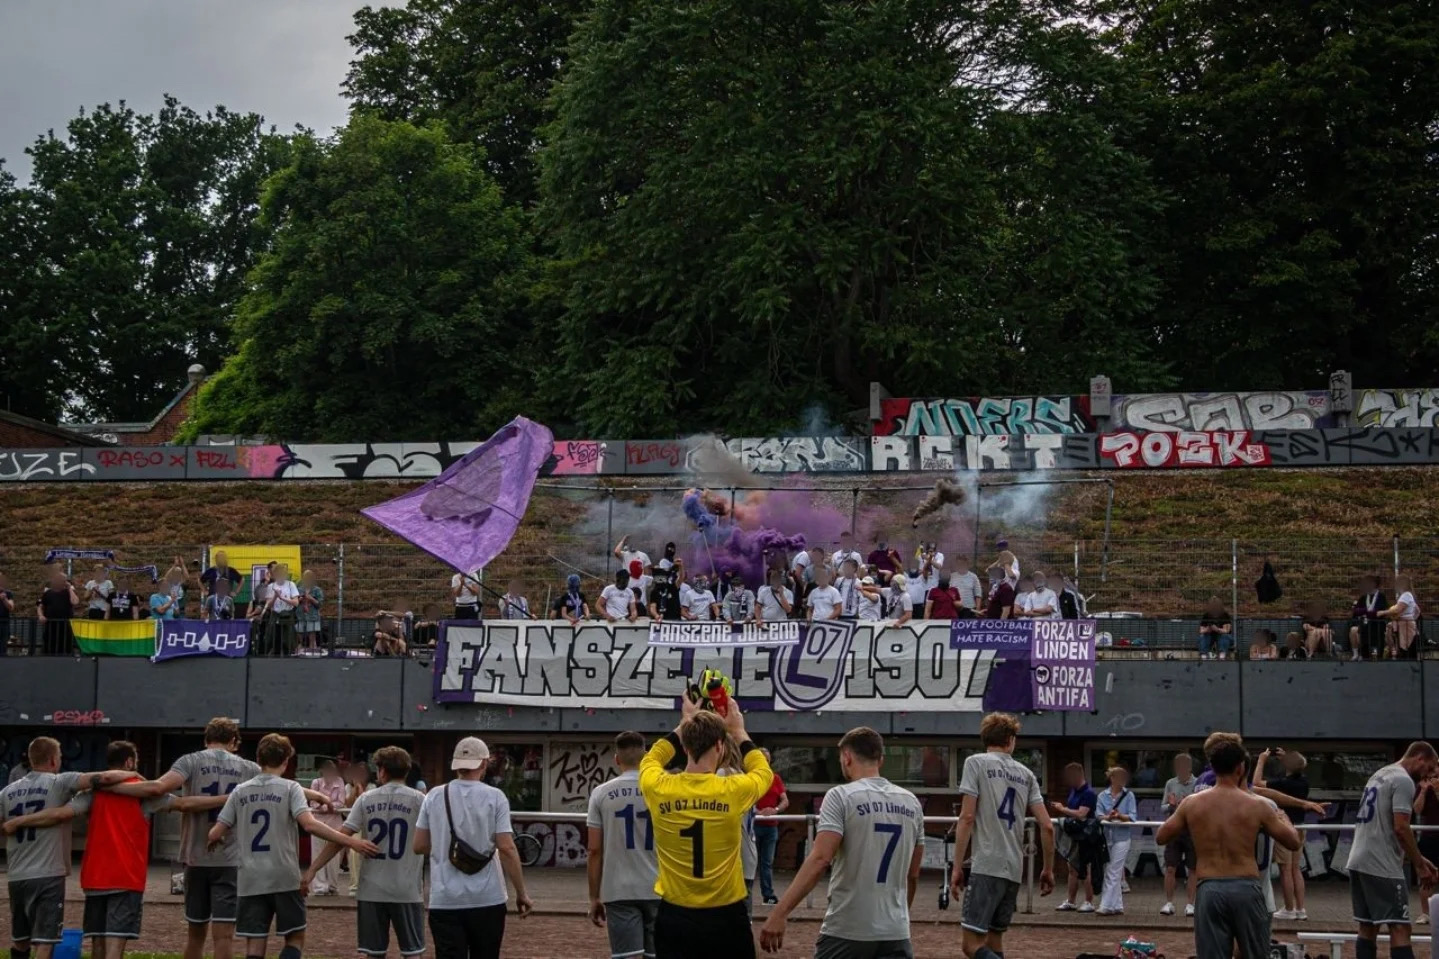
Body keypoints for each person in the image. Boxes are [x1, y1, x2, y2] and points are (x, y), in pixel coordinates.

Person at [4, 741, 214, 959]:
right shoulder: (142, 793)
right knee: (115, 945)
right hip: (126, 877)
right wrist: (226, 799)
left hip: (95, 877)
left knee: (97, 942)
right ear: (130, 762)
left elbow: (62, 813)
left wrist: (19, 822)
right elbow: (185, 804)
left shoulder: (92, 793)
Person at [760, 726, 926, 958]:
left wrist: (780, 912)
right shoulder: (912, 803)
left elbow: (820, 859)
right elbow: (913, 874)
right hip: (896, 931)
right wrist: (900, 919)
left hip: (848, 929)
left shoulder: (841, 796)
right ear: (881, 759)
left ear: (846, 758)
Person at [210, 734, 377, 959]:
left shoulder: (240, 791)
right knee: (295, 937)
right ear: (287, 761)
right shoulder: (291, 788)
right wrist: (351, 841)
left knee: (255, 946)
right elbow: (309, 824)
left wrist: (216, 839)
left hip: (250, 877)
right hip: (284, 876)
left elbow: (215, 832)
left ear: (259, 758)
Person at [114, 717, 260, 959]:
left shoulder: (190, 760)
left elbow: (158, 788)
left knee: (195, 934)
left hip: (195, 855)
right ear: (234, 741)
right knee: (224, 936)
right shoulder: (249, 768)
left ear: (206, 740)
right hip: (232, 859)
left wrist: (116, 785)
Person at [639, 697, 773, 959]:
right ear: (720, 746)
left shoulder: (659, 787)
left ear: (686, 747)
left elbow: (653, 756)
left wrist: (683, 723)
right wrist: (739, 731)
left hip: (675, 914)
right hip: (726, 915)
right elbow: (762, 771)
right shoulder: (732, 790)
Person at [1155, 731, 1302, 959]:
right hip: (1246, 887)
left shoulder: (1192, 804)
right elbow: (1292, 842)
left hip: (1210, 888)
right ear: (1241, 768)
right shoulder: (1258, 805)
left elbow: (1161, 836)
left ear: (1212, 768)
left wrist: (1192, 822)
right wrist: (1284, 818)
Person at [0, 737, 135, 959]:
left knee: (20, 939)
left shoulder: (7, 792)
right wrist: (134, 775)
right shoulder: (59, 782)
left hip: (16, 875)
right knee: (45, 940)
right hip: (48, 873)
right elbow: (106, 777)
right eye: (60, 757)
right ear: (53, 760)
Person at [947, 714, 1056, 959]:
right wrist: (1048, 868)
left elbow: (966, 817)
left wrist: (956, 866)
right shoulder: (1027, 774)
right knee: (994, 941)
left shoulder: (975, 763)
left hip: (986, 864)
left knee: (971, 945)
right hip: (1014, 869)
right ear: (1010, 740)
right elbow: (1047, 826)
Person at [414, 737, 534, 959]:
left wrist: (442, 844)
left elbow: (419, 845)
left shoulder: (434, 796)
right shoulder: (495, 797)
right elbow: (506, 848)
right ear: (484, 763)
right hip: (488, 898)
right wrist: (521, 893)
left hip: (445, 898)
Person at [304, 747, 427, 959]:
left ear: (381, 771)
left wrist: (313, 869)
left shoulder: (366, 799)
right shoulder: (420, 800)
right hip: (406, 889)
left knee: (372, 953)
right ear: (406, 771)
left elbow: (338, 839)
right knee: (412, 952)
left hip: (372, 889)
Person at [1345, 741, 1439, 959]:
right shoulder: (1404, 780)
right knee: (1400, 927)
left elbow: (1383, 828)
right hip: (1381, 865)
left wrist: (1422, 859)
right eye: (1430, 767)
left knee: (1368, 926)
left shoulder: (1380, 775)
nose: (1430, 774)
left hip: (1359, 860)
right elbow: (1401, 828)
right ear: (1419, 758)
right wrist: (1419, 867)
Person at [587, 732, 660, 959]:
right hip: (660, 888)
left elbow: (594, 850)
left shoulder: (601, 793)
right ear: (646, 756)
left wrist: (594, 897)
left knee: (627, 956)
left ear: (616, 759)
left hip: (618, 889)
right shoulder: (664, 789)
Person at [1253, 748, 1310, 920]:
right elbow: (1296, 767)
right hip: (1301, 827)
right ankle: (1301, 908)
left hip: (1286, 826)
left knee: (1285, 869)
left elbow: (1256, 784)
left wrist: (1262, 760)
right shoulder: (1304, 781)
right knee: (1295, 868)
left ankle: (1289, 908)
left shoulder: (1284, 783)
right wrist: (1287, 758)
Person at [1051, 762, 1098, 912]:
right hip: (1074, 833)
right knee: (1072, 868)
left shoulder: (1088, 793)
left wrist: (1062, 809)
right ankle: (1071, 901)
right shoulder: (1073, 791)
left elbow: (1081, 814)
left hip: (1086, 834)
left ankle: (1089, 901)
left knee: (1087, 869)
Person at [1159, 752, 1199, 917]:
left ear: (1189, 767)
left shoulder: (1198, 784)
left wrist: (1187, 804)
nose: (1180, 769)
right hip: (1174, 829)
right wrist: (1171, 805)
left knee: (1193, 869)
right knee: (1170, 867)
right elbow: (1162, 807)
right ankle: (1169, 903)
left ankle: (1190, 904)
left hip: (1192, 830)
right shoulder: (1170, 783)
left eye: (1183, 765)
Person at [1095, 766, 1138, 916]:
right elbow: (1098, 815)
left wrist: (1120, 816)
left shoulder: (1129, 795)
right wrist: (1108, 817)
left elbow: (1133, 816)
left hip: (1122, 837)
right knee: (1112, 869)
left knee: (1113, 870)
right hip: (1107, 837)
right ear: (1112, 778)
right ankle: (1117, 905)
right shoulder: (1102, 796)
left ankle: (1106, 904)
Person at [750, 749, 787, 906]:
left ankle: (768, 894)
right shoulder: (752, 778)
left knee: (767, 862)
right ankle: (746, 896)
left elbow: (785, 800)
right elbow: (745, 799)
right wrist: (757, 812)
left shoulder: (775, 779)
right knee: (750, 862)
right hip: (754, 826)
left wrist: (775, 810)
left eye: (767, 760)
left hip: (771, 827)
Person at [307, 759, 348, 896]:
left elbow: (341, 802)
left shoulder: (339, 782)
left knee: (334, 856)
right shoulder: (316, 783)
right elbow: (312, 802)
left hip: (334, 822)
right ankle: (319, 887)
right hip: (318, 821)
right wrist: (327, 806)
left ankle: (332, 886)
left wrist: (324, 806)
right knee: (318, 853)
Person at [346, 763, 375, 897]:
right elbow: (349, 803)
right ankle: (354, 885)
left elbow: (365, 802)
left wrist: (361, 788)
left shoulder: (373, 787)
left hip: (369, 824)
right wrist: (354, 788)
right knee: (353, 854)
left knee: (368, 855)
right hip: (353, 825)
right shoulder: (347, 787)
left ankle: (366, 884)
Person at [36, 568, 77, 656]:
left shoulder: (68, 592)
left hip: (65, 625)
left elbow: (75, 602)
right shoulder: (48, 593)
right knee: (50, 646)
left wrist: (69, 588)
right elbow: (40, 606)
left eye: (62, 580)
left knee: (65, 646)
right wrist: (41, 616)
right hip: (51, 625)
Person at [262, 563, 300, 656]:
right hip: (275, 615)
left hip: (287, 615)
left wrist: (283, 598)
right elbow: (268, 605)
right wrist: (275, 596)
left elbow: (296, 602)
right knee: (274, 640)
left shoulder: (291, 585)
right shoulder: (271, 587)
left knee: (288, 641)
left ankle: (288, 656)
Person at [1380, 576, 1421, 658]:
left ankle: (1396, 653)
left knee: (1406, 648)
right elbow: (1417, 610)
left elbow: (1397, 610)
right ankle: (1394, 651)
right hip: (1405, 624)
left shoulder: (1406, 595)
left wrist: (1383, 612)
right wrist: (1412, 618)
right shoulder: (1407, 595)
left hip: (1405, 626)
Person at [1349, 575, 1388, 661]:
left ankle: (1373, 654)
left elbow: (1380, 612)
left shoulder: (1381, 597)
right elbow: (1356, 611)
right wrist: (1368, 612)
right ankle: (1357, 654)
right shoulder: (1363, 598)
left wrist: (1365, 612)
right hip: (1364, 624)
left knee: (1370, 632)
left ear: (1374, 584)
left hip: (1376, 626)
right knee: (1354, 630)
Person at [295, 571, 323, 650]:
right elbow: (294, 602)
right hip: (300, 616)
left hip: (312, 616)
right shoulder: (299, 589)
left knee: (312, 638)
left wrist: (311, 598)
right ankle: (299, 650)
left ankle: (312, 650)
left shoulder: (317, 590)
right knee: (298, 634)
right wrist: (299, 599)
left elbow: (319, 604)